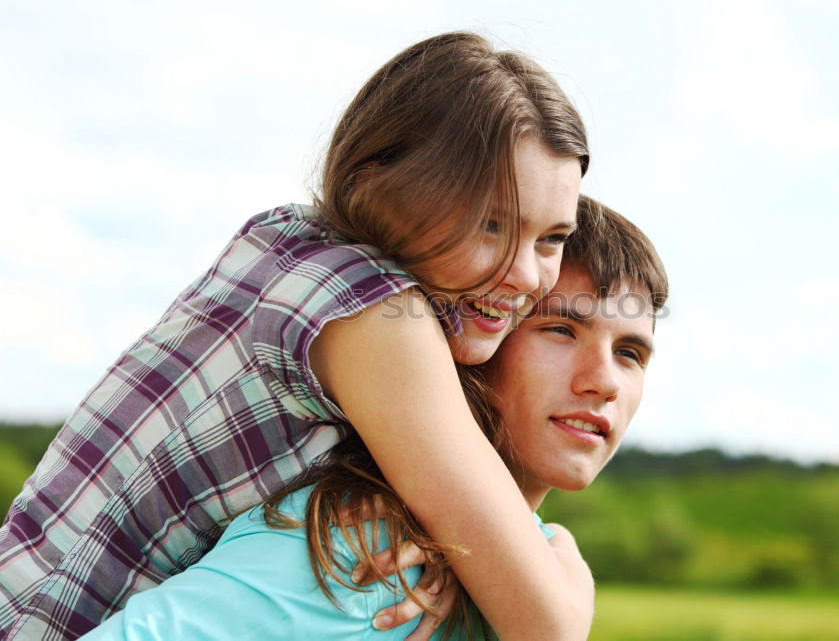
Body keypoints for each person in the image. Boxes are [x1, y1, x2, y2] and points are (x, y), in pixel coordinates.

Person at [0, 32, 591, 640]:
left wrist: (447, 539)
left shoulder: (284, 239)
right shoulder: (376, 315)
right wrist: (560, 548)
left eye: (550, 239)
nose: (524, 276)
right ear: (376, 181)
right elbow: (549, 626)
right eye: (489, 225)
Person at [79, 195, 669, 640]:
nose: (604, 381)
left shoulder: (531, 566)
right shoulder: (365, 547)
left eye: (630, 353)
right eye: (560, 330)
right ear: (468, 349)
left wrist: (561, 555)